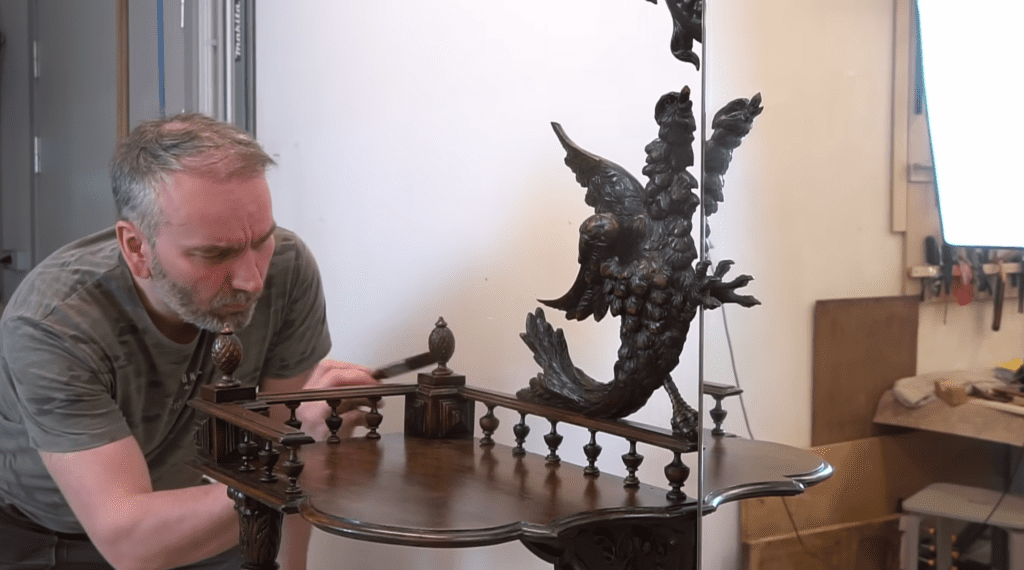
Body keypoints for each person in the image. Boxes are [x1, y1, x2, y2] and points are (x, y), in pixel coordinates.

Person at [0, 113, 376, 570]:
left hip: (218, 504)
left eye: (262, 240)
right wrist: (300, 456)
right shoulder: (54, 322)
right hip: (59, 536)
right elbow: (130, 541)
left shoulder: (287, 269)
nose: (252, 280)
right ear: (137, 249)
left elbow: (280, 454)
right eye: (214, 254)